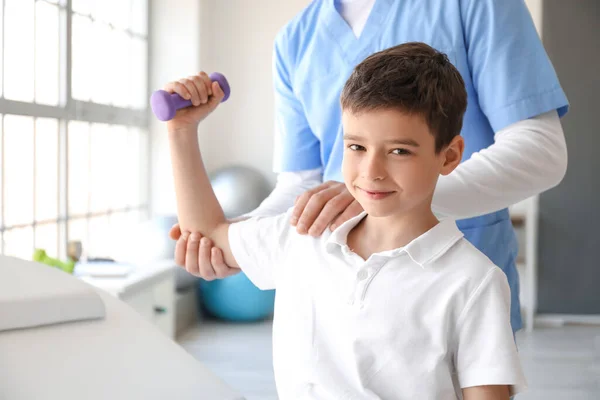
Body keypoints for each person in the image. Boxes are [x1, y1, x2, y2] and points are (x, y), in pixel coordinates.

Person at [170, 0, 569, 335]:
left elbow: (540, 150)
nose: (370, 170)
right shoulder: (297, 39)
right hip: (336, 294)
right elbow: (302, 184)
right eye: (356, 148)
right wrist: (246, 238)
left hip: (450, 288)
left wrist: (381, 202)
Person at [165, 42, 526, 399]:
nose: (372, 172)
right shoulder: (303, 235)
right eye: (356, 147)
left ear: (448, 156)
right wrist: (181, 131)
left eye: (399, 151)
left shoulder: (473, 281)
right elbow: (207, 237)